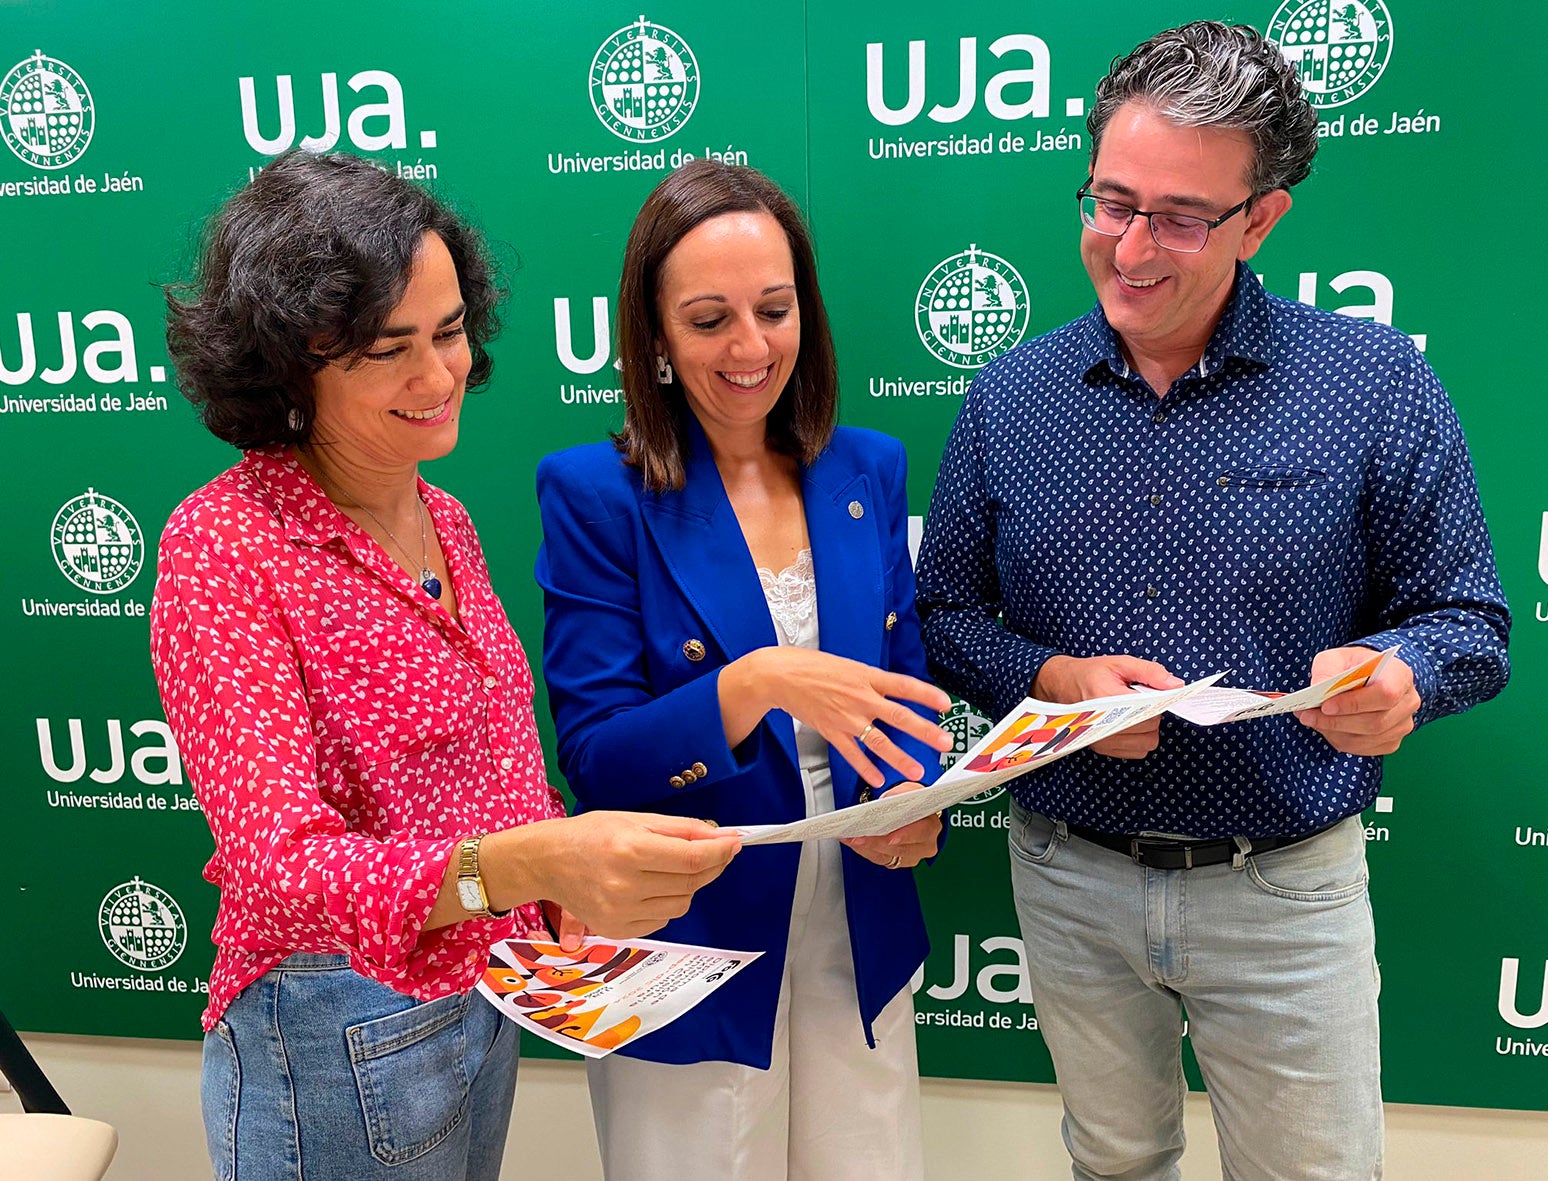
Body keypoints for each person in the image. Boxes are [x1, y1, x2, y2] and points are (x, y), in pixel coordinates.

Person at [916, 21, 1510, 1180]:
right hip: (1068, 871)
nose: (1131, 246)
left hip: (1284, 887)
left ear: (1262, 219)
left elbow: (1469, 621)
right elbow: (945, 614)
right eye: (1109, 201)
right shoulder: (1010, 396)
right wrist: (1055, 680)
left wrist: (1401, 677)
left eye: (1180, 217)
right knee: (1115, 1161)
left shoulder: (1373, 382)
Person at [151, 151, 739, 1181]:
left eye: (451, 330)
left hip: (478, 1000)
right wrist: (525, 863)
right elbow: (280, 867)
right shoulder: (226, 545)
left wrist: (549, 883)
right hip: (332, 1030)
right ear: (287, 362)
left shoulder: (442, 515)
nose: (439, 376)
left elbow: (494, 759)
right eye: (390, 349)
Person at [534, 158, 951, 1181]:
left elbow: (906, 688)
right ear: (658, 337)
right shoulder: (596, 493)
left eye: (775, 309)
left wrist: (915, 796)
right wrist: (753, 681)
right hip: (693, 934)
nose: (751, 346)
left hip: (861, 919)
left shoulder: (867, 466)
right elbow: (597, 759)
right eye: (710, 318)